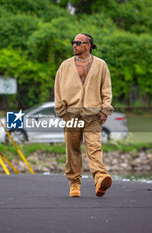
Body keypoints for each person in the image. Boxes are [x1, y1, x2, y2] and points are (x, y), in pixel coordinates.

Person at [54, 33, 114, 198]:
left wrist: (105, 110)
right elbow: (57, 90)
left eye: (78, 42)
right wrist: (61, 111)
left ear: (88, 45)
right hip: (71, 116)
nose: (74, 45)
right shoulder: (65, 66)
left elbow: (106, 89)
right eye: (73, 42)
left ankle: (101, 178)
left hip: (93, 115)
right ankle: (74, 184)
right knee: (72, 150)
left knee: (94, 147)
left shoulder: (101, 65)